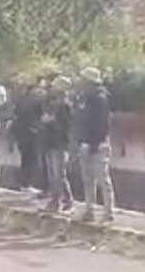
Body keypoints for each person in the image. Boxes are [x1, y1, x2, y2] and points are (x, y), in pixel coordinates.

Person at [79, 67, 116, 223]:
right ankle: (89, 210)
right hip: (87, 142)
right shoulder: (87, 99)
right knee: (88, 179)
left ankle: (108, 211)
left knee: (102, 178)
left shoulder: (100, 98)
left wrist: (93, 143)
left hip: (98, 144)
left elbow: (101, 124)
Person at [42, 76, 75, 214]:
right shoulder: (55, 104)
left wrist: (50, 121)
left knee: (58, 174)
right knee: (55, 174)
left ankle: (56, 202)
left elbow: (65, 126)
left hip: (60, 143)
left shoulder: (65, 106)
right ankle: (67, 199)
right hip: (51, 142)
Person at [12, 83, 45, 190]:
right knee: (32, 159)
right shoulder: (36, 102)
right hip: (31, 133)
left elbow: (16, 116)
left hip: (21, 133)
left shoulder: (22, 100)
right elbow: (37, 118)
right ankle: (27, 183)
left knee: (25, 159)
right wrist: (36, 128)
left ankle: (23, 183)